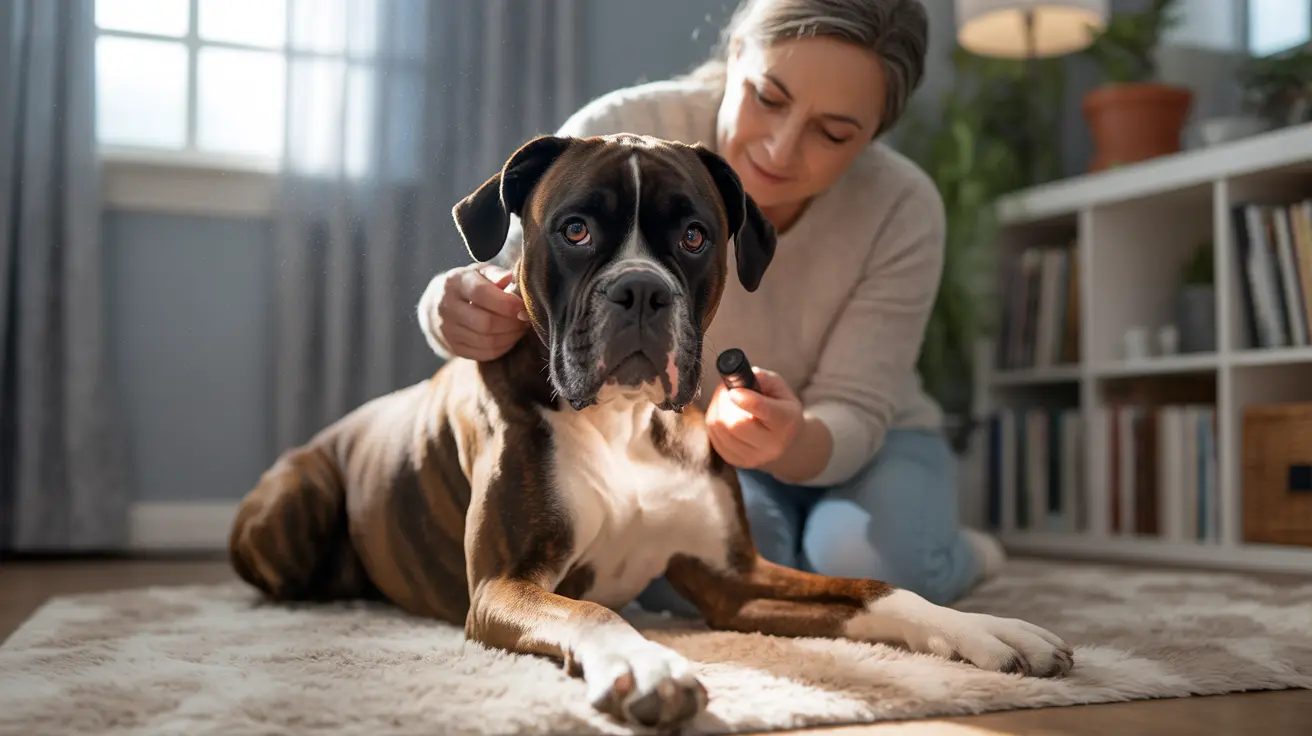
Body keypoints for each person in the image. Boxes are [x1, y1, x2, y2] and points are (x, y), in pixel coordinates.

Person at [416, 0, 1005, 611]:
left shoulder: (901, 206)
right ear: (736, 56)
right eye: (769, 98)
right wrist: (449, 308)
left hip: (861, 441)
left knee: (870, 561)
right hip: (706, 436)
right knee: (690, 577)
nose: (780, 148)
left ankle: (965, 553)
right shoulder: (623, 126)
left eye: (833, 133)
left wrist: (793, 439)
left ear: (875, 133)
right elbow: (512, 270)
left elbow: (856, 408)